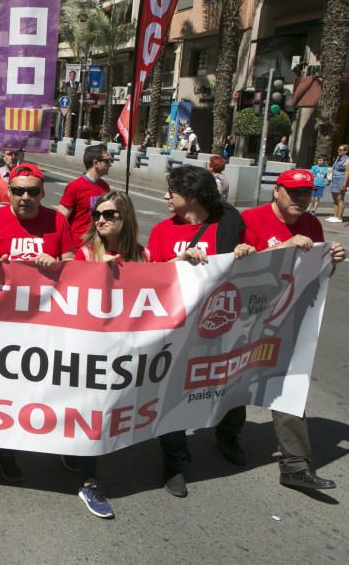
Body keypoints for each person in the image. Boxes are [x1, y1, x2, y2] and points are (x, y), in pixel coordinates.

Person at [218, 168, 344, 490]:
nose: (301, 199)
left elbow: (312, 271)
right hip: (247, 318)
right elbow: (237, 267)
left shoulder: (313, 224)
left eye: (306, 193)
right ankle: (227, 435)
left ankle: (295, 465)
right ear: (277, 192)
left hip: (287, 318)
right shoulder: (251, 219)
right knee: (239, 382)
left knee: (290, 384)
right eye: (294, 192)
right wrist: (284, 247)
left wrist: (332, 258)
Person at [145, 165, 254, 498]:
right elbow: (148, 281)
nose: (166, 196)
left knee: (232, 383)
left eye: (172, 192)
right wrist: (178, 262)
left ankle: (228, 434)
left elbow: (259, 270)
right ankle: (176, 463)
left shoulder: (230, 226)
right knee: (171, 395)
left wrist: (245, 253)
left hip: (221, 329)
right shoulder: (163, 231)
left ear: (191, 197)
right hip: (176, 332)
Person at [0, 163, 75, 482]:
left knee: (20, 394)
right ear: (8, 192)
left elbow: (74, 262)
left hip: (41, 325)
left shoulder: (56, 220)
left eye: (32, 191)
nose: (25, 197)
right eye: (18, 191)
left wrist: (56, 264)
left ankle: (5, 452)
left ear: (42, 193)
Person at [66, 191, 149, 519]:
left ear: (125, 219)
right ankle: (89, 481)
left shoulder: (144, 255)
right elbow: (67, 292)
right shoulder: (85, 254)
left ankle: (75, 455)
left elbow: (164, 288)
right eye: (97, 214)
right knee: (93, 413)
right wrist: (97, 273)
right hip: (92, 349)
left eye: (109, 215)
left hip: (126, 350)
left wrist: (184, 266)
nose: (100, 220)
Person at [57, 144, 112, 247]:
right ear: (96, 163)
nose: (110, 164)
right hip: (77, 247)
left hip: (99, 246)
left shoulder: (105, 187)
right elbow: (60, 219)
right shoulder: (75, 187)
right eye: (107, 161)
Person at [330, 145, 349, 222]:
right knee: (335, 199)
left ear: (345, 151)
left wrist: (344, 185)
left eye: (340, 150)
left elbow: (347, 173)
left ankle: (339, 218)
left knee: (340, 199)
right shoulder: (338, 158)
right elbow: (333, 168)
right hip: (334, 180)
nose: (338, 151)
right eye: (338, 149)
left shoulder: (347, 160)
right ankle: (335, 216)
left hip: (341, 181)